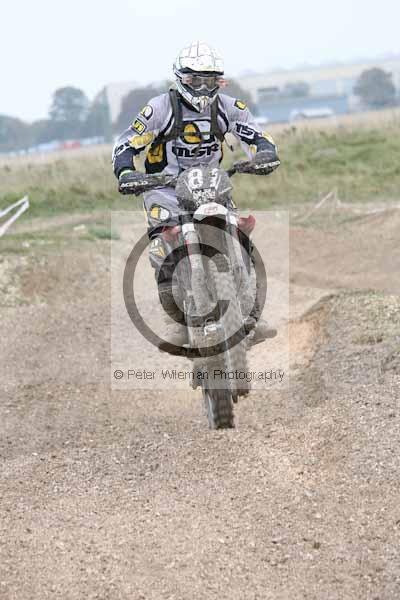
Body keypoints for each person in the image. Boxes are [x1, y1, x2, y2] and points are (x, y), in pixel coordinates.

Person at [113, 41, 280, 351]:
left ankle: (253, 313)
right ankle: (175, 321)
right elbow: (127, 144)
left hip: (211, 184)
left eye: (210, 81)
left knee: (239, 234)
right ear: (180, 78)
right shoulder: (159, 108)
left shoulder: (229, 107)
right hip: (164, 188)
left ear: (220, 81)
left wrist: (265, 153)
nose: (203, 88)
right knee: (161, 244)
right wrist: (126, 172)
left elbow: (256, 135)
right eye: (195, 80)